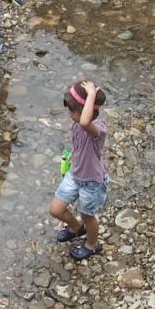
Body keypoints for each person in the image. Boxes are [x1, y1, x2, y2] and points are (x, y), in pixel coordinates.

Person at [47, 78, 109, 261]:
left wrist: (91, 95)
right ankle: (76, 227)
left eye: (71, 111)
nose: (69, 115)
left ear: (85, 112)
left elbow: (84, 122)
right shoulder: (77, 123)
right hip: (75, 174)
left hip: (92, 182)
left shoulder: (97, 130)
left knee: (88, 215)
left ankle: (92, 245)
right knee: (56, 210)